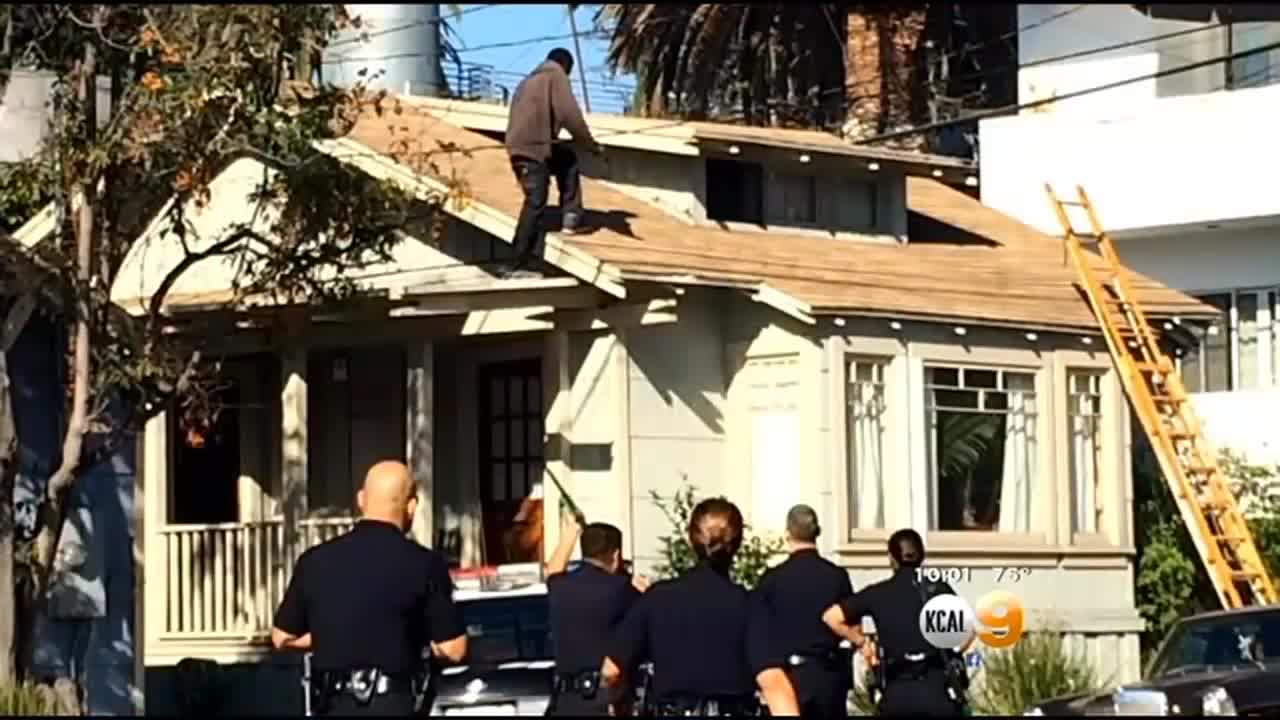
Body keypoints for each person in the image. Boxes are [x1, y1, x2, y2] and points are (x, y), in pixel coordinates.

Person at [271, 460, 469, 716]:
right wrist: (414, 639)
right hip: (394, 704)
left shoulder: (314, 562)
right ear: (411, 506)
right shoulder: (425, 564)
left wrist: (329, 635)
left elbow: (282, 637)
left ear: (361, 499)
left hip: (333, 704)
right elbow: (453, 649)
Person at [601, 497, 801, 717]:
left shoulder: (657, 599)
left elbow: (611, 671)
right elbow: (774, 684)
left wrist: (621, 703)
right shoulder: (749, 605)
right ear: (737, 543)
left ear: (690, 539)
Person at [821, 528, 966, 717]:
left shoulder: (878, 593)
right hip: (935, 689)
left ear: (892, 558)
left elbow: (831, 617)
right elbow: (967, 632)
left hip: (897, 691)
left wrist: (862, 642)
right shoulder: (939, 589)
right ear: (921, 555)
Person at [754, 505, 863, 719]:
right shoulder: (837, 576)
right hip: (828, 676)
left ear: (788, 534)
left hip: (787, 678)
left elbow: (759, 633)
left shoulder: (772, 579)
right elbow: (852, 625)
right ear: (817, 533)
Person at [504, 47, 603, 277]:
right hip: (533, 149)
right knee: (535, 203)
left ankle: (570, 216)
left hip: (520, 147)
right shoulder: (555, 75)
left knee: (566, 158)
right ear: (566, 66)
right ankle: (517, 262)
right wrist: (591, 145)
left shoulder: (530, 79)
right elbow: (571, 116)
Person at [544, 512, 647, 715]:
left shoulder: (560, 587)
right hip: (605, 702)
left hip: (565, 703)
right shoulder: (623, 590)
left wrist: (570, 534)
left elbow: (553, 570)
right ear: (616, 556)